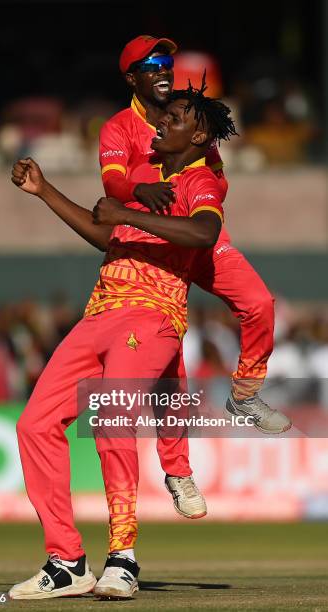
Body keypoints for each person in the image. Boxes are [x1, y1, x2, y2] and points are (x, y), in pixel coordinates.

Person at [9, 83, 236, 600]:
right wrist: (44, 191)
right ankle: (66, 560)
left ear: (199, 133)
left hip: (152, 314)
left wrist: (127, 212)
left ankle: (123, 558)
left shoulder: (204, 179)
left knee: (113, 423)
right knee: (34, 424)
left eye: (175, 118)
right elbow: (104, 231)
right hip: (100, 312)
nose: (161, 123)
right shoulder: (147, 180)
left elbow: (203, 235)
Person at [100, 35, 291, 437]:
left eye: (167, 64)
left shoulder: (189, 117)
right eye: (152, 67)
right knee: (172, 366)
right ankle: (178, 472)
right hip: (153, 245)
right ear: (132, 78)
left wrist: (197, 197)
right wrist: (141, 193)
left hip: (197, 233)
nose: (164, 72)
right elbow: (112, 186)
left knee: (259, 304)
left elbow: (217, 181)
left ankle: (245, 393)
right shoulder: (120, 128)